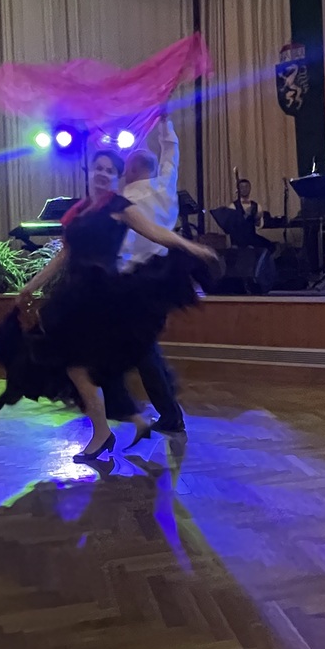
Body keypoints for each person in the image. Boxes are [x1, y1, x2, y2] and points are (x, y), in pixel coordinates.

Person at [0, 149, 216, 461]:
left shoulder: (118, 206)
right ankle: (110, 428)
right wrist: (30, 286)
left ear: (116, 178)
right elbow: (63, 255)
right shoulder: (79, 211)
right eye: (99, 167)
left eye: (110, 170)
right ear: (90, 171)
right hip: (74, 298)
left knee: (82, 366)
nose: (103, 173)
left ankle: (108, 430)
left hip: (102, 297)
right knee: (76, 367)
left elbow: (156, 232)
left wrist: (191, 247)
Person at [109, 110, 187, 434]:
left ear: (132, 170)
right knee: (141, 344)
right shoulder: (165, 185)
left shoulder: (124, 201)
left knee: (140, 348)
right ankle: (162, 399)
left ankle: (168, 412)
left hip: (135, 280)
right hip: (163, 276)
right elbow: (171, 151)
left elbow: (121, 247)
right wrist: (164, 122)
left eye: (125, 169)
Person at [228, 178, 275, 252]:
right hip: (238, 239)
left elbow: (258, 226)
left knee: (271, 246)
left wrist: (257, 219)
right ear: (238, 190)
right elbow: (232, 226)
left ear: (250, 188)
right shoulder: (233, 206)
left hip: (251, 237)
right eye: (242, 187)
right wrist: (246, 215)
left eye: (246, 187)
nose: (244, 189)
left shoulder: (257, 206)